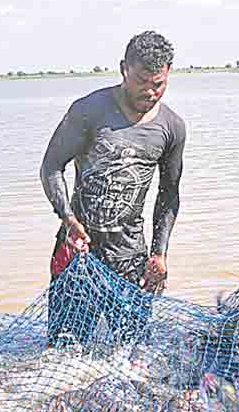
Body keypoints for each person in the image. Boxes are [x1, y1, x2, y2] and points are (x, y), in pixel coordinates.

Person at [40, 30, 185, 346]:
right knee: (65, 350)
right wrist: (68, 219)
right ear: (123, 69)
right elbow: (51, 167)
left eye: (158, 84)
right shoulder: (89, 110)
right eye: (141, 81)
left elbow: (169, 194)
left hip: (130, 257)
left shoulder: (172, 127)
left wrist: (159, 254)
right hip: (78, 250)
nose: (150, 91)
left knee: (132, 353)